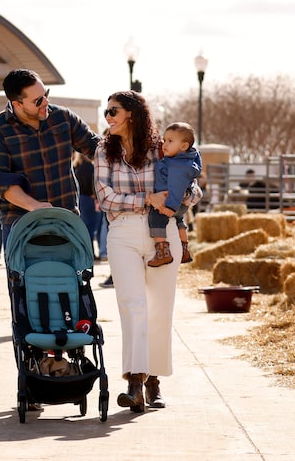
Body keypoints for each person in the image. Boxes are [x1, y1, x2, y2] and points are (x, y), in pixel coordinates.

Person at [93, 90, 201, 413]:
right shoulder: (103, 151)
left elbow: (193, 188)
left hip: (163, 233)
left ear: (132, 114)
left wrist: (182, 197)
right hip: (123, 232)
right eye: (107, 112)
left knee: (159, 309)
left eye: (114, 111)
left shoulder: (161, 148)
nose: (108, 117)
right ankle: (134, 383)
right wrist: (146, 200)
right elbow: (104, 197)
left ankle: (154, 380)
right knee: (133, 305)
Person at [0, 69, 101, 250]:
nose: (46, 102)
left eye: (46, 94)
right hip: (20, 224)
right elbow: (1, 182)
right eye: (38, 101)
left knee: (72, 277)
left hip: (66, 222)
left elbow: (98, 149)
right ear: (17, 104)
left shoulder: (63, 117)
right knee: (24, 279)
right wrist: (36, 207)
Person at [147, 122, 202, 267]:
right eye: (164, 140)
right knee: (179, 221)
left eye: (170, 141)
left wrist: (170, 207)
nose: (164, 144)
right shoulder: (186, 161)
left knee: (156, 217)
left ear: (184, 146)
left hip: (171, 201)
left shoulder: (177, 166)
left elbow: (176, 187)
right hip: (181, 204)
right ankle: (184, 249)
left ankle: (162, 251)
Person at [73, 151, 104, 257]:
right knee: (92, 227)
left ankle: (87, 252)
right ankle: (92, 253)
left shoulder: (77, 167)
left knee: (85, 227)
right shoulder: (91, 167)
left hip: (80, 199)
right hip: (90, 199)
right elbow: (93, 183)